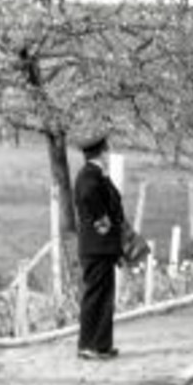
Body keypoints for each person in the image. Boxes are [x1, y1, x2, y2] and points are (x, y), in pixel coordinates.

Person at [73, 130, 127, 359]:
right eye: (107, 150)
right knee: (95, 297)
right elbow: (88, 198)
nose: (109, 153)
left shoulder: (98, 174)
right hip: (97, 246)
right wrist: (101, 219)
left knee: (104, 297)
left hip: (102, 247)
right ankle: (89, 345)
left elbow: (113, 200)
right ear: (101, 152)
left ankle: (101, 344)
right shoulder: (89, 175)